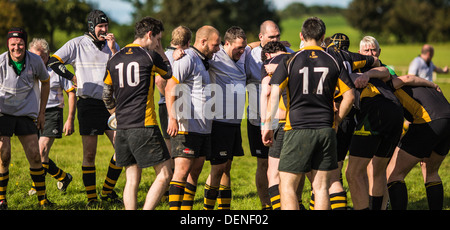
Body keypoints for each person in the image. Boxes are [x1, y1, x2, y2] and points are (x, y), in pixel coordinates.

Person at [262, 17, 355, 210]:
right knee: (320, 187)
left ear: (301, 36)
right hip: (325, 129)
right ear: (323, 36)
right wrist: (337, 119)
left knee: (287, 186)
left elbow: (274, 92)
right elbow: (350, 97)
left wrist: (268, 126)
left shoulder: (290, 59)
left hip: (296, 128)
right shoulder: (333, 59)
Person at [48, 9, 123, 206]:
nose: (104, 30)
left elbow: (121, 68)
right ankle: (92, 199)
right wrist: (72, 77)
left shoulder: (112, 45)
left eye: (106, 26)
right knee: (89, 154)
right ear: (91, 26)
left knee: (123, 148)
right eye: (100, 26)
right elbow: (54, 61)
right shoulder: (77, 43)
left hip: (110, 104)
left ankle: (107, 191)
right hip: (88, 103)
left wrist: (114, 49)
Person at [103, 16, 173, 210]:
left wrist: (115, 115)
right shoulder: (150, 56)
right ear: (149, 34)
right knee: (165, 174)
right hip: (144, 125)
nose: (158, 43)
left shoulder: (114, 58)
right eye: (158, 39)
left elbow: (106, 95)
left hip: (123, 127)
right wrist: (160, 51)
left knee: (131, 178)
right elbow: (168, 72)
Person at [165, 25, 221, 210]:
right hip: (186, 125)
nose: (218, 49)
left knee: (195, 171)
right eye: (215, 45)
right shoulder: (187, 58)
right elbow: (169, 87)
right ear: (203, 42)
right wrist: (172, 118)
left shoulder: (203, 60)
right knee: (181, 171)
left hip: (203, 127)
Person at [346, 36, 404, 210]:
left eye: (373, 50)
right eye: (366, 51)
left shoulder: (383, 69)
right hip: (393, 114)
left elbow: (387, 72)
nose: (371, 54)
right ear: (359, 53)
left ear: (379, 52)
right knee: (375, 170)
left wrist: (367, 74)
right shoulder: (355, 65)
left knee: (355, 172)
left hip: (377, 114)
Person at [245, 20, 295, 210]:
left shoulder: (288, 54)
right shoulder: (249, 56)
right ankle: (267, 205)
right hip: (257, 117)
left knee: (287, 166)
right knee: (263, 164)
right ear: (261, 37)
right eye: (271, 37)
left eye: (278, 36)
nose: (276, 39)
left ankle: (291, 202)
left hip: (283, 118)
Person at [0, 28, 51, 209]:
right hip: (3, 113)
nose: (16, 47)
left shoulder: (35, 60)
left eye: (20, 43)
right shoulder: (1, 62)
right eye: (13, 44)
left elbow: (46, 82)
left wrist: (42, 112)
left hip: (26, 113)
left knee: (35, 156)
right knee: (3, 154)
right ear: (8, 45)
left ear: (25, 44)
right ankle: (1, 199)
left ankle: (42, 199)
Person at [203, 26, 249, 210]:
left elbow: (252, 46)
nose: (242, 51)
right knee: (217, 169)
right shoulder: (215, 56)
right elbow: (197, 51)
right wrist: (178, 52)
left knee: (226, 168)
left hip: (234, 123)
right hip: (219, 122)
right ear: (226, 44)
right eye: (238, 47)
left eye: (243, 47)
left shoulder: (242, 54)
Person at [386, 79, 450, 210]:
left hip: (429, 120)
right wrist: (433, 84)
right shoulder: (415, 84)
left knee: (393, 174)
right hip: (447, 120)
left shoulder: (390, 85)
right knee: (431, 171)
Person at [28, 38, 75, 195]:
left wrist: (70, 118)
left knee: (42, 151)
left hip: (53, 112)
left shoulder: (57, 69)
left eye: (41, 56)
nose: (38, 60)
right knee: (35, 152)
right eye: (34, 56)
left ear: (47, 54)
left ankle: (37, 187)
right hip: (33, 113)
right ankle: (63, 177)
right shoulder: (29, 69)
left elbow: (71, 92)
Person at [260, 41, 298, 210]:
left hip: (281, 123)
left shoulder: (269, 64)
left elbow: (267, 92)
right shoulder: (298, 59)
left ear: (268, 56)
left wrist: (265, 124)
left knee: (273, 173)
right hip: (304, 122)